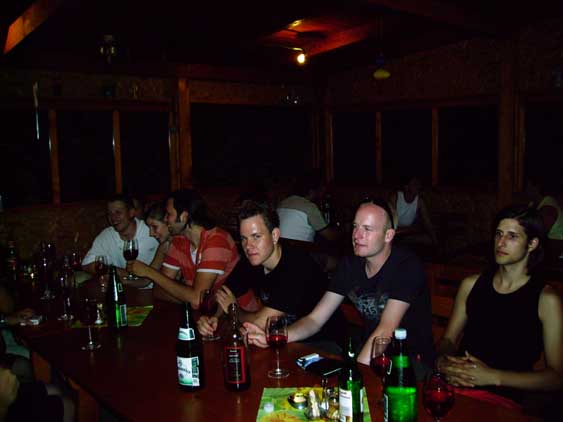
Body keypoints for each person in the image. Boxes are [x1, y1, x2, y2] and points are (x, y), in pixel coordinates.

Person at [243, 198, 435, 376]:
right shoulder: (350, 265)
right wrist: (276, 337)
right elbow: (314, 320)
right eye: (355, 227)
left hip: (411, 362)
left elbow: (386, 329)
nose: (357, 235)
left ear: (388, 235)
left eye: (367, 229)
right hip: (371, 355)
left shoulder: (406, 266)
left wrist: (355, 375)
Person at [436, 205, 563, 416]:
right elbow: (448, 340)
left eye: (512, 236)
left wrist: (492, 376)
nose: (501, 242)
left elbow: (557, 377)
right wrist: (443, 362)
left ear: (532, 244)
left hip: (502, 399)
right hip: (456, 387)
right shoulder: (472, 285)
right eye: (498, 234)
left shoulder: (546, 299)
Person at [197, 200, 345, 351]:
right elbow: (225, 294)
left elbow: (261, 322)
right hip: (282, 341)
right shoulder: (252, 260)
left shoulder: (296, 266)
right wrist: (213, 319)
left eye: (256, 236)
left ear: (274, 235)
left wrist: (233, 309)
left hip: (324, 344)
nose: (248, 246)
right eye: (243, 239)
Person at [126, 189, 239, 308]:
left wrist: (149, 272)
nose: (165, 219)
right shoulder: (178, 242)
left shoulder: (217, 240)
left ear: (184, 217)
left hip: (235, 315)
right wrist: (189, 297)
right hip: (203, 315)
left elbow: (197, 299)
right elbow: (158, 291)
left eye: (169, 214)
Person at [82, 194, 158, 284]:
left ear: (131, 213)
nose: (113, 218)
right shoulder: (107, 235)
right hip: (127, 289)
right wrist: (117, 271)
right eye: (110, 214)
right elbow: (86, 265)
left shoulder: (151, 230)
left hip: (154, 289)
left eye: (118, 212)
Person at [277, 172, 338, 244]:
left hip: (280, 247)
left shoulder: (283, 202)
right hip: (298, 249)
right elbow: (330, 236)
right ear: (313, 190)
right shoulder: (309, 207)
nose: (324, 190)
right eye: (322, 187)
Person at [389, 175, 437, 246]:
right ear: (406, 187)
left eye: (419, 184)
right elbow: (390, 223)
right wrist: (408, 229)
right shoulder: (396, 197)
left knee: (428, 240)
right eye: (415, 184)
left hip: (407, 234)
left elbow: (427, 222)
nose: (418, 186)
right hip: (394, 233)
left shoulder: (419, 201)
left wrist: (435, 240)